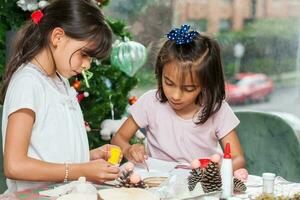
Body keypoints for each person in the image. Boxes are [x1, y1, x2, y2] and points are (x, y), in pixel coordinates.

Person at [1, 0, 120, 193]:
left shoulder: (59, 82)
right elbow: (14, 165)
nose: (87, 65)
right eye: (84, 55)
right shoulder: (28, 83)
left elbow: (48, 152)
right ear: (57, 37)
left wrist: (88, 158)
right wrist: (80, 170)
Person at [111, 25, 245, 171]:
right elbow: (118, 139)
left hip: (202, 187)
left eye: (188, 88)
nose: (175, 96)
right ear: (160, 72)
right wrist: (128, 149)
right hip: (159, 184)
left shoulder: (217, 109)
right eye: (169, 83)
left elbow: (238, 159)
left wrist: (217, 171)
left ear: (206, 83)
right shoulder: (150, 102)